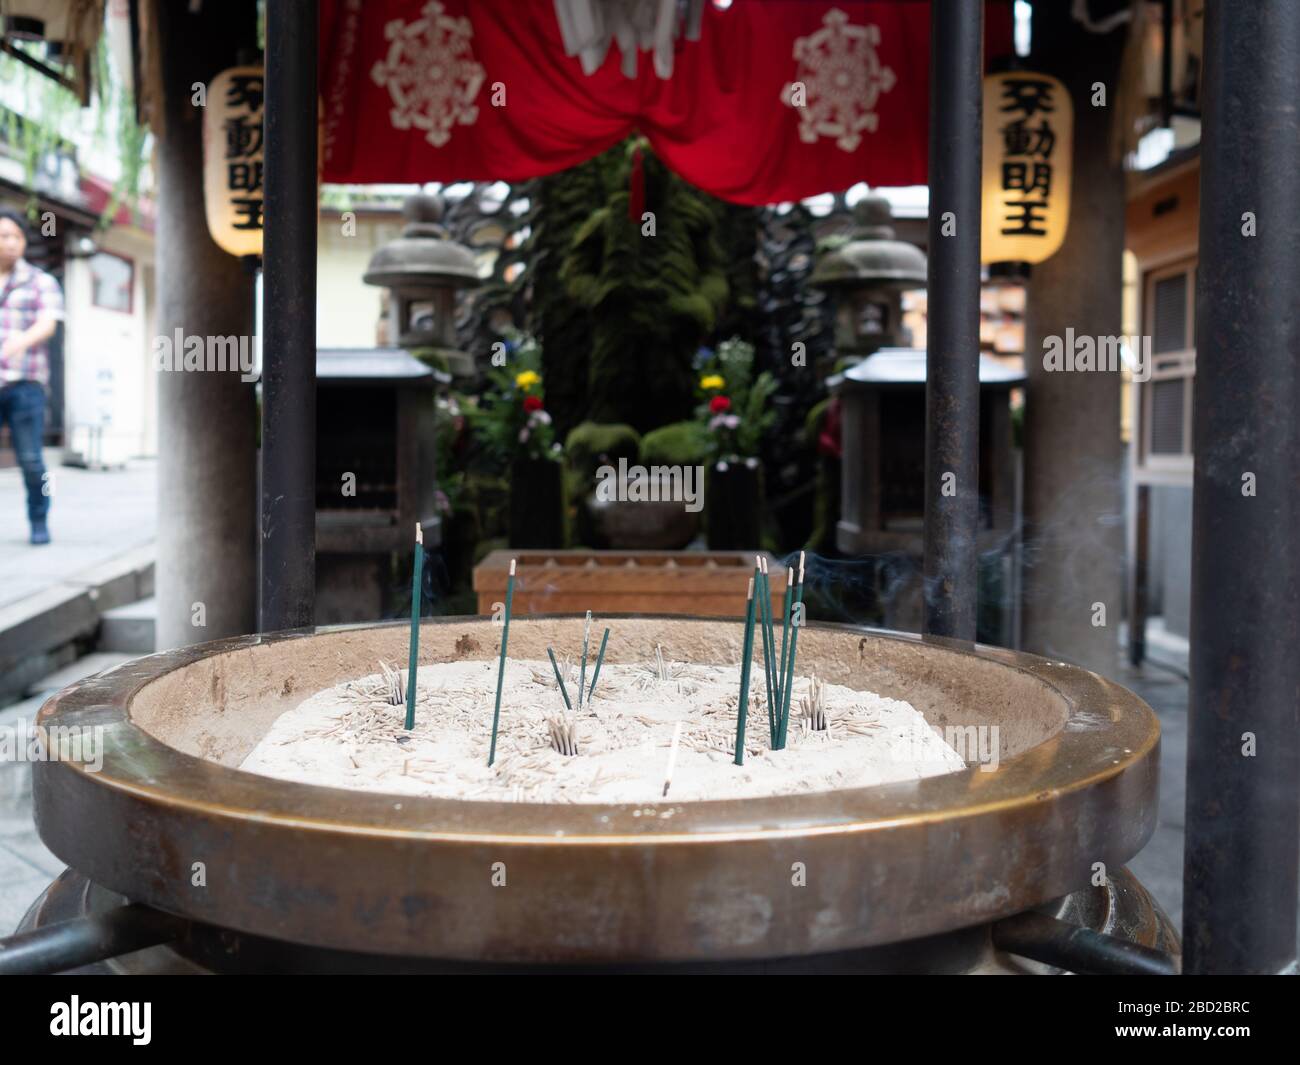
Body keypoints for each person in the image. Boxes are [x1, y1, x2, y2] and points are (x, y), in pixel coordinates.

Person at [0, 208, 63, 545]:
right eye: (3, 236)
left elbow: (48, 323)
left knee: (30, 459)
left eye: (15, 236)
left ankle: (39, 519)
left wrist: (19, 342)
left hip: (26, 384)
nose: (9, 243)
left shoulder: (41, 281)